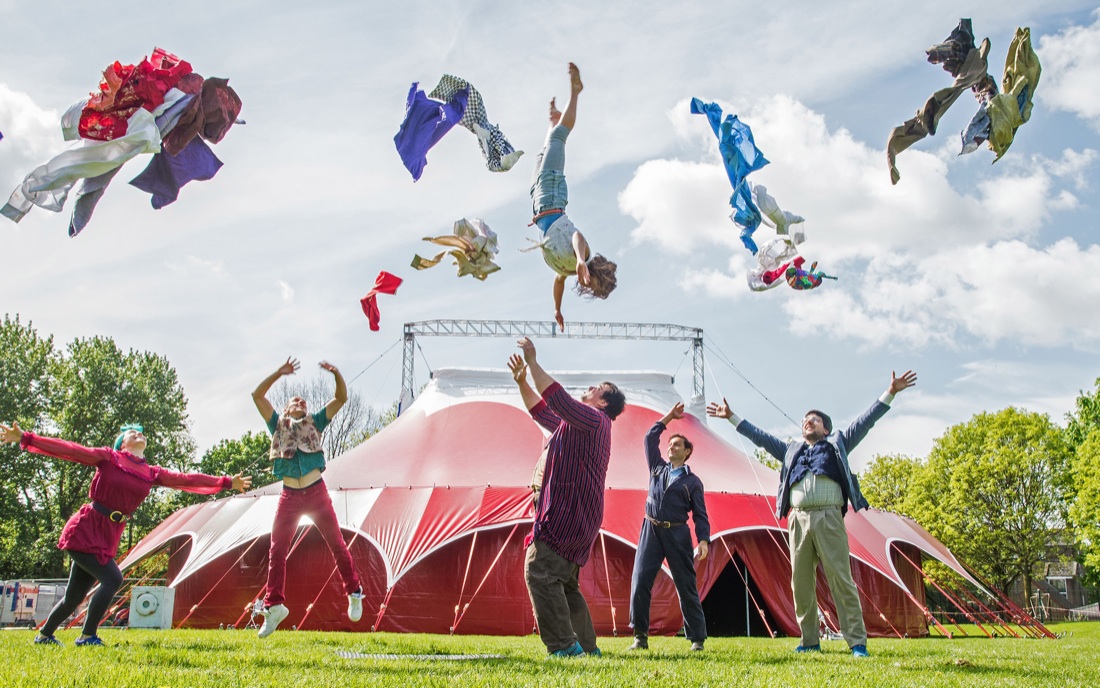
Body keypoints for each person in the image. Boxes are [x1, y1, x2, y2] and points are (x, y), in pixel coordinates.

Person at [706, 370, 917, 658]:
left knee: (840, 578)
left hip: (829, 517)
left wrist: (890, 392)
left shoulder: (838, 444)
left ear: (826, 429)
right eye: (805, 419)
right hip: (798, 519)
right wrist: (732, 417)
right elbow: (761, 438)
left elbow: (866, 421)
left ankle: (857, 642)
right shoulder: (791, 450)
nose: (808, 421)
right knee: (800, 581)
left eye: (814, 419)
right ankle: (809, 640)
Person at [0, 421, 250, 646]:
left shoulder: (151, 473)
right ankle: (87, 636)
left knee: (73, 597)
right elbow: (72, 450)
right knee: (113, 579)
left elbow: (187, 479)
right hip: (86, 530)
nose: (138, 434)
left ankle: (44, 636)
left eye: (140, 433)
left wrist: (227, 482)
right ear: (122, 444)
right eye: (132, 434)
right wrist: (27, 438)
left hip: (108, 535)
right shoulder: (110, 458)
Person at [507, 337, 625, 657]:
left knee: (539, 572)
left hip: (565, 517)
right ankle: (587, 649)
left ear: (603, 403)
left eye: (597, 387)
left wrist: (532, 362)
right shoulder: (577, 425)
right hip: (580, 521)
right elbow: (543, 411)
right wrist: (522, 381)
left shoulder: (594, 419)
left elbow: (557, 398)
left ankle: (564, 648)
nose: (590, 387)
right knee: (565, 584)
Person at [251, 357, 364, 638]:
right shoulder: (277, 424)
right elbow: (257, 396)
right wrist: (278, 372)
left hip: (316, 493)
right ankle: (274, 605)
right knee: (277, 550)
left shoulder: (316, 422)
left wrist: (337, 373)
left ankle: (354, 591)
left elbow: (341, 398)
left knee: (337, 543)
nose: (300, 401)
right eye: (295, 400)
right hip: (289, 495)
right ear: (288, 409)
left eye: (303, 401)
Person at [528, 62, 617, 329]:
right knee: (559, 139)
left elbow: (558, 282)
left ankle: (554, 120)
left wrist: (557, 309)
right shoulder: (583, 257)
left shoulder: (566, 271)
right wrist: (580, 260)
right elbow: (577, 237)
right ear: (593, 275)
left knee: (545, 150)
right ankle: (576, 93)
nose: (585, 284)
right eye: (591, 283)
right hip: (553, 198)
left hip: (539, 201)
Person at [628, 402, 710, 652]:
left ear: (687, 452)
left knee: (685, 583)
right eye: (670, 443)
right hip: (650, 529)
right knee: (641, 580)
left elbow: (700, 514)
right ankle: (640, 636)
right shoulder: (657, 468)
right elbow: (649, 436)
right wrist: (668, 418)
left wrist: (703, 540)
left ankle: (697, 639)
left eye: (676, 444)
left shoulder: (692, 482)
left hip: (677, 532)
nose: (670, 446)